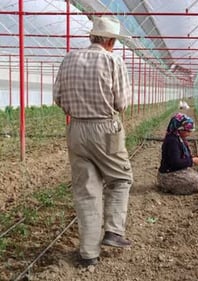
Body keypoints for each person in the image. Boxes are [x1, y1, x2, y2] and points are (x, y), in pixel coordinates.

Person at [53, 16, 133, 267]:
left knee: (86, 191)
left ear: (92, 37)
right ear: (111, 41)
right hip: (105, 128)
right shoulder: (112, 61)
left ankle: (88, 254)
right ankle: (113, 231)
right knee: (120, 178)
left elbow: (57, 97)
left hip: (75, 128)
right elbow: (122, 103)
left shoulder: (69, 59)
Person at [157, 113, 198, 195]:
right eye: (187, 131)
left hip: (175, 170)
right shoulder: (172, 141)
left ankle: (173, 186)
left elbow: (181, 159)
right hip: (167, 175)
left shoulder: (178, 138)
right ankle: (168, 187)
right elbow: (175, 162)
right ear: (179, 129)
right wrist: (192, 160)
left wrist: (193, 158)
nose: (189, 133)